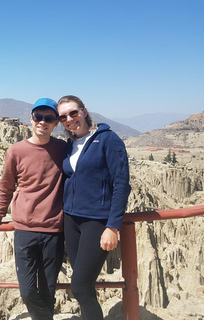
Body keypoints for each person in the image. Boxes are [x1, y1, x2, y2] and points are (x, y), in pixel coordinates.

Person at [0, 98, 67, 320]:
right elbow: (6, 187)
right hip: (25, 229)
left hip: (54, 229)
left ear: (56, 123)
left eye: (49, 119)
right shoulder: (16, 151)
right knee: (28, 290)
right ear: (31, 118)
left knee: (48, 289)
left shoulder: (62, 148)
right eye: (38, 117)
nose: (43, 122)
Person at [56, 95, 131, 320]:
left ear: (84, 111)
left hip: (96, 222)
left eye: (73, 113)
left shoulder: (108, 139)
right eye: (63, 117)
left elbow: (121, 184)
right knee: (85, 287)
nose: (69, 119)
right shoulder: (70, 145)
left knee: (79, 287)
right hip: (72, 220)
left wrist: (113, 226)